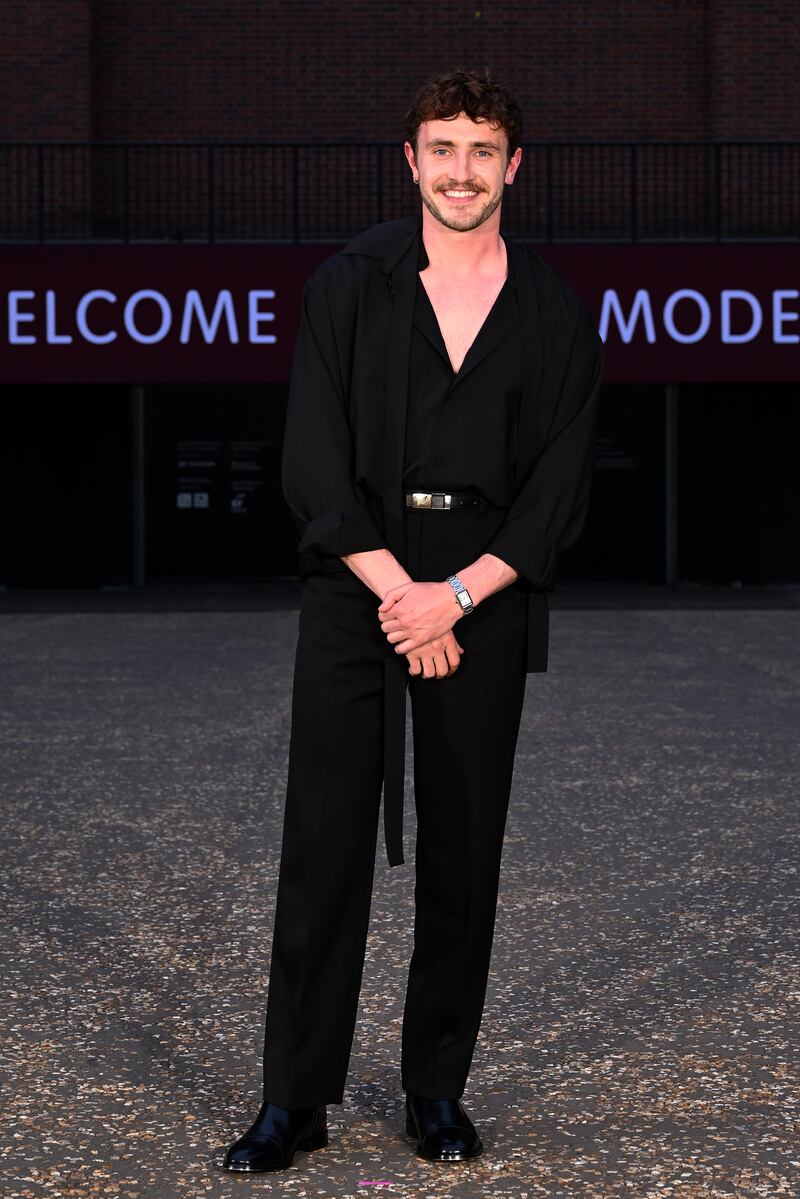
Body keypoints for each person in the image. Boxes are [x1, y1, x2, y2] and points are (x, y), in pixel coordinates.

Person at [221, 67, 604, 1174]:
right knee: (323, 845)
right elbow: (313, 465)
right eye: (443, 149)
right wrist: (404, 596)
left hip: (482, 591)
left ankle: (435, 1087)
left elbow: (556, 495)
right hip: (360, 585)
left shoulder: (552, 311)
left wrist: (455, 596)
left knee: (463, 851)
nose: (460, 172)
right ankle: (294, 1099)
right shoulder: (349, 284)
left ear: (513, 167)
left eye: (482, 151)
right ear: (411, 160)